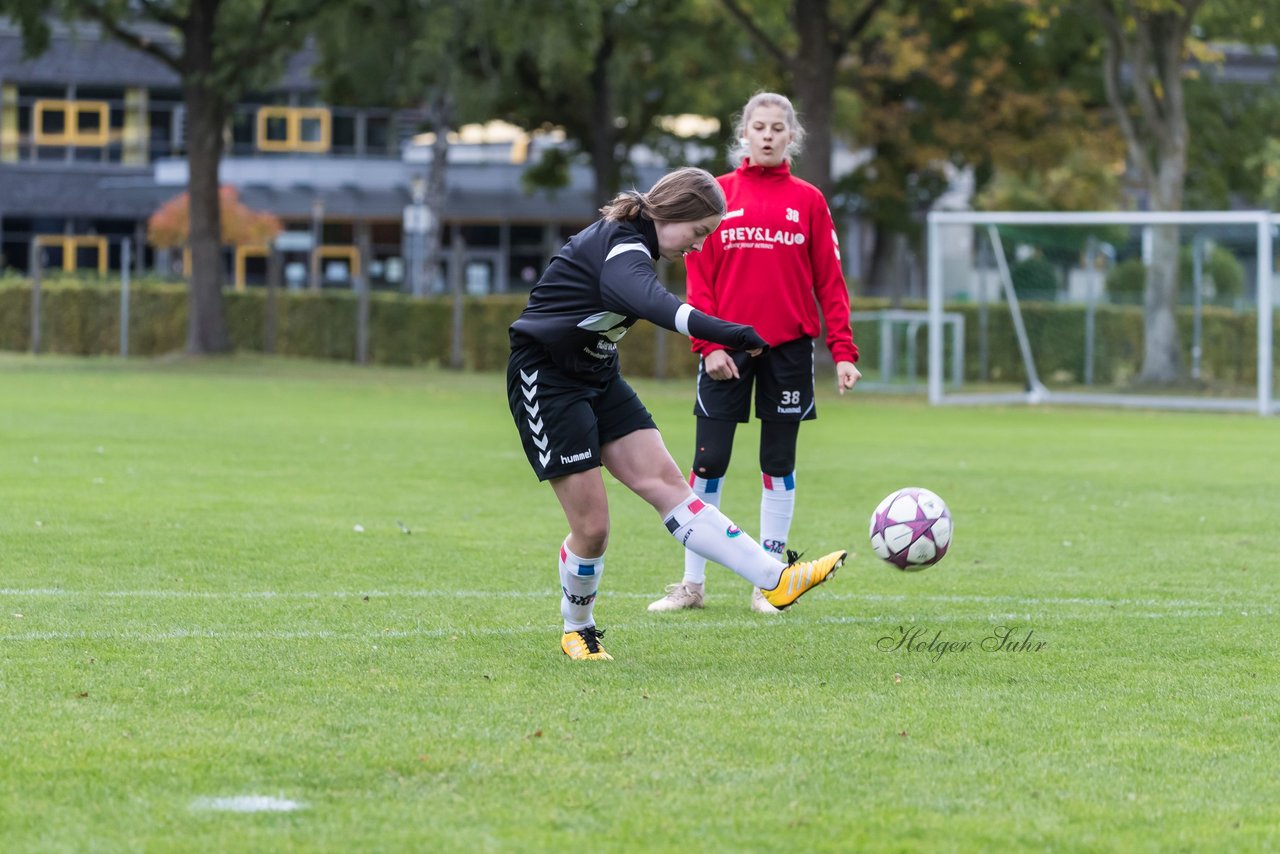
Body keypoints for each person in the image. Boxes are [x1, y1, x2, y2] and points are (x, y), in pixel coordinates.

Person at [507, 166, 848, 661]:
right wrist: (728, 331)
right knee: (593, 528)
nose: (700, 245)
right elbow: (653, 303)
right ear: (672, 212)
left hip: (598, 376)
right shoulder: (621, 246)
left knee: (672, 490)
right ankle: (576, 628)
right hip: (547, 382)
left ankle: (776, 579)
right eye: (699, 232)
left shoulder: (639, 244)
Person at [647, 93, 861, 616]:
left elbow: (829, 281)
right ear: (743, 133)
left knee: (777, 462)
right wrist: (710, 344)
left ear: (793, 137)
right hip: (726, 350)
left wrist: (844, 349)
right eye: (758, 127)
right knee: (708, 463)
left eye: (777, 128)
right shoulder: (718, 194)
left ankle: (770, 581)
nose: (767, 135)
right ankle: (691, 584)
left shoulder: (808, 200)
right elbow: (699, 276)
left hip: (788, 349)